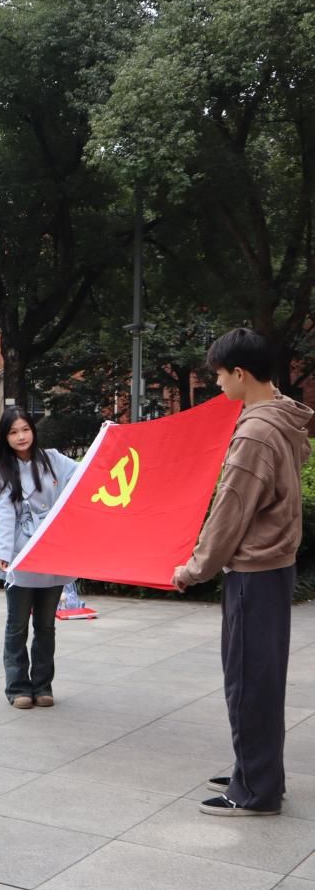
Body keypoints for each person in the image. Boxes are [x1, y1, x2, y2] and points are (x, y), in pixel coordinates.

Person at [173, 329, 313, 817]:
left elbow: (230, 511)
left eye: (218, 374)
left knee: (248, 681)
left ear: (240, 373)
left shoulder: (255, 432)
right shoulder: (281, 415)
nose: (216, 383)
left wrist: (194, 568)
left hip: (254, 571)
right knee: (261, 677)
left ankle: (254, 791)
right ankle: (256, 771)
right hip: (274, 566)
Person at [0, 407, 78, 709]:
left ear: (33, 430)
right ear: (5, 438)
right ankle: (17, 688)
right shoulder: (3, 471)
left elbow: (86, 473)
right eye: (13, 432)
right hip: (21, 554)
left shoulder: (53, 460)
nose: (21, 437)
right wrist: (2, 552)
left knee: (46, 625)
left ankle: (42, 686)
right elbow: (4, 514)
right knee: (17, 625)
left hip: (52, 550)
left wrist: (107, 440)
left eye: (25, 429)